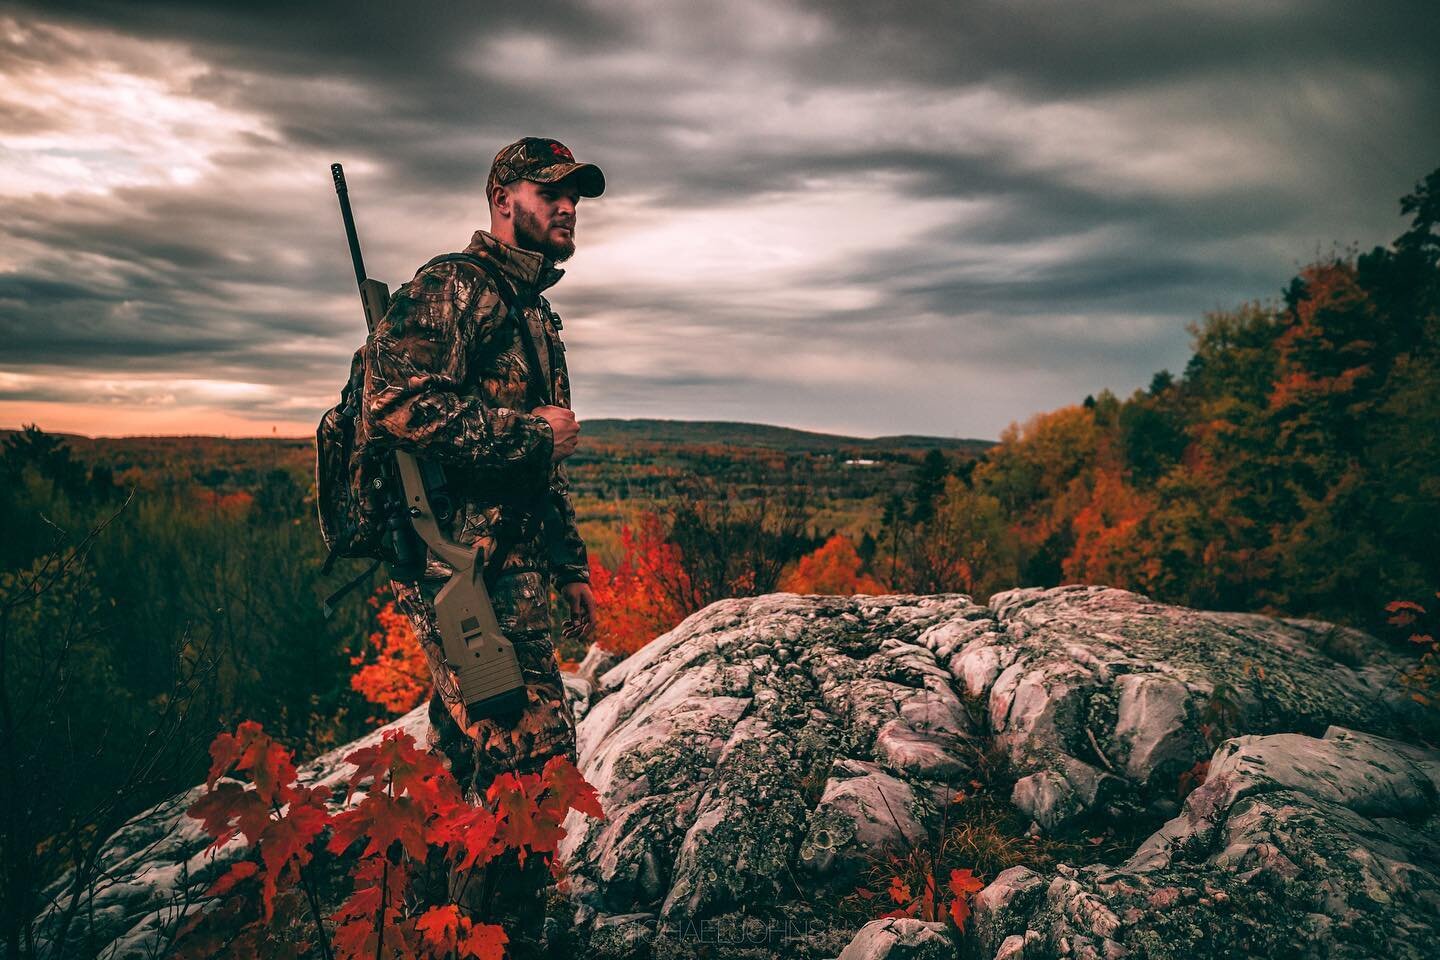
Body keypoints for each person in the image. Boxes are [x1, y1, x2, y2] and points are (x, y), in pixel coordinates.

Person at [358, 136, 604, 957]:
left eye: (576, 194)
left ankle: (433, 934)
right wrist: (527, 432)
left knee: (472, 763)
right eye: (551, 190)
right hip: (464, 574)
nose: (568, 205)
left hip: (520, 579)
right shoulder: (454, 288)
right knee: (531, 769)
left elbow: (545, 468)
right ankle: (499, 945)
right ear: (504, 197)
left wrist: (569, 566)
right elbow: (391, 401)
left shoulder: (534, 309)